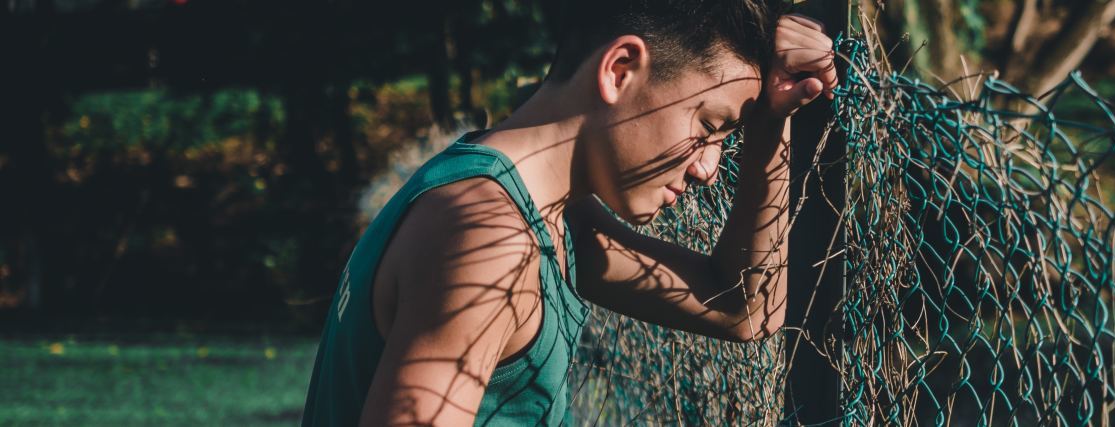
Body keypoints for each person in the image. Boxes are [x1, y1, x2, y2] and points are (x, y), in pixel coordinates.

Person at [301, 1, 836, 425]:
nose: (707, 169)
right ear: (620, 69)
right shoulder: (488, 240)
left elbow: (743, 309)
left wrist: (772, 119)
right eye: (707, 126)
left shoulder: (544, 214)